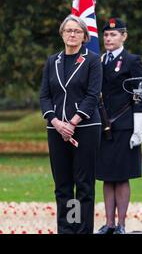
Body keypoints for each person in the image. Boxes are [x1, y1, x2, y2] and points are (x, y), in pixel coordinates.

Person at [39, 14, 102, 234]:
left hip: (84, 129)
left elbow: (92, 96)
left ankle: (82, 230)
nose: (72, 34)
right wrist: (56, 122)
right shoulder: (52, 61)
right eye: (68, 30)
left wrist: (72, 123)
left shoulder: (92, 60)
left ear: (84, 36)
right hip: (56, 130)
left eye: (77, 31)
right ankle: (67, 230)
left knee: (83, 186)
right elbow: (44, 96)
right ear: (62, 34)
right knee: (63, 186)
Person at [95, 18, 142, 234]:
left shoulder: (132, 60)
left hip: (125, 127)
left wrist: (138, 129)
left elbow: (139, 95)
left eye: (113, 35)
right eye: (106, 35)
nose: (109, 38)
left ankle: (122, 225)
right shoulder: (98, 61)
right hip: (103, 127)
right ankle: (109, 223)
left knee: (122, 176)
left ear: (123, 36)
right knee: (107, 176)